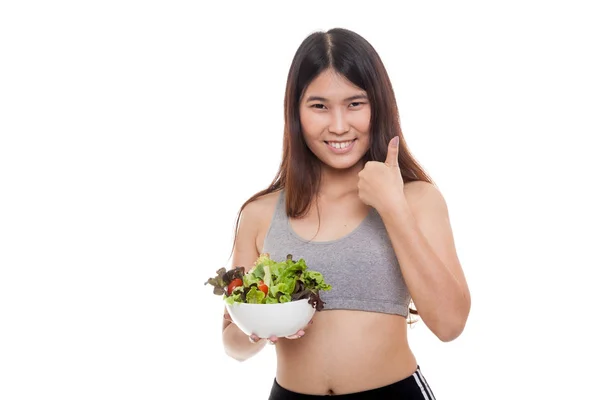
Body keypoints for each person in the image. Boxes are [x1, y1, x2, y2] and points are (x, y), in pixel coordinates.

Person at [221, 27, 471, 399]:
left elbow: (450, 324)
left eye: (355, 103)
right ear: (295, 112)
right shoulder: (259, 213)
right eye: (319, 106)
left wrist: (392, 207)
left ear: (378, 105)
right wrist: (256, 326)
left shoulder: (417, 199)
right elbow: (232, 344)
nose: (339, 126)